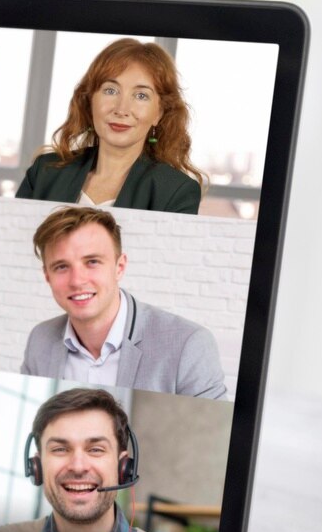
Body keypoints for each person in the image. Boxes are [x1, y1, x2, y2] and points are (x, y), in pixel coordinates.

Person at [0, 388, 212, 532]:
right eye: (60, 449)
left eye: (95, 449)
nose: (78, 466)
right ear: (36, 465)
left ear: (123, 467)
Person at [20, 206, 228, 400]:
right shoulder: (39, 340)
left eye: (92, 262)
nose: (77, 281)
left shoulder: (189, 345)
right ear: (47, 276)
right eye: (61, 267)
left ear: (119, 267)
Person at [16, 39, 205, 213]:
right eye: (110, 90)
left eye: (141, 95)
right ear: (90, 101)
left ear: (159, 113)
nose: (122, 109)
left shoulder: (176, 191)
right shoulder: (45, 172)